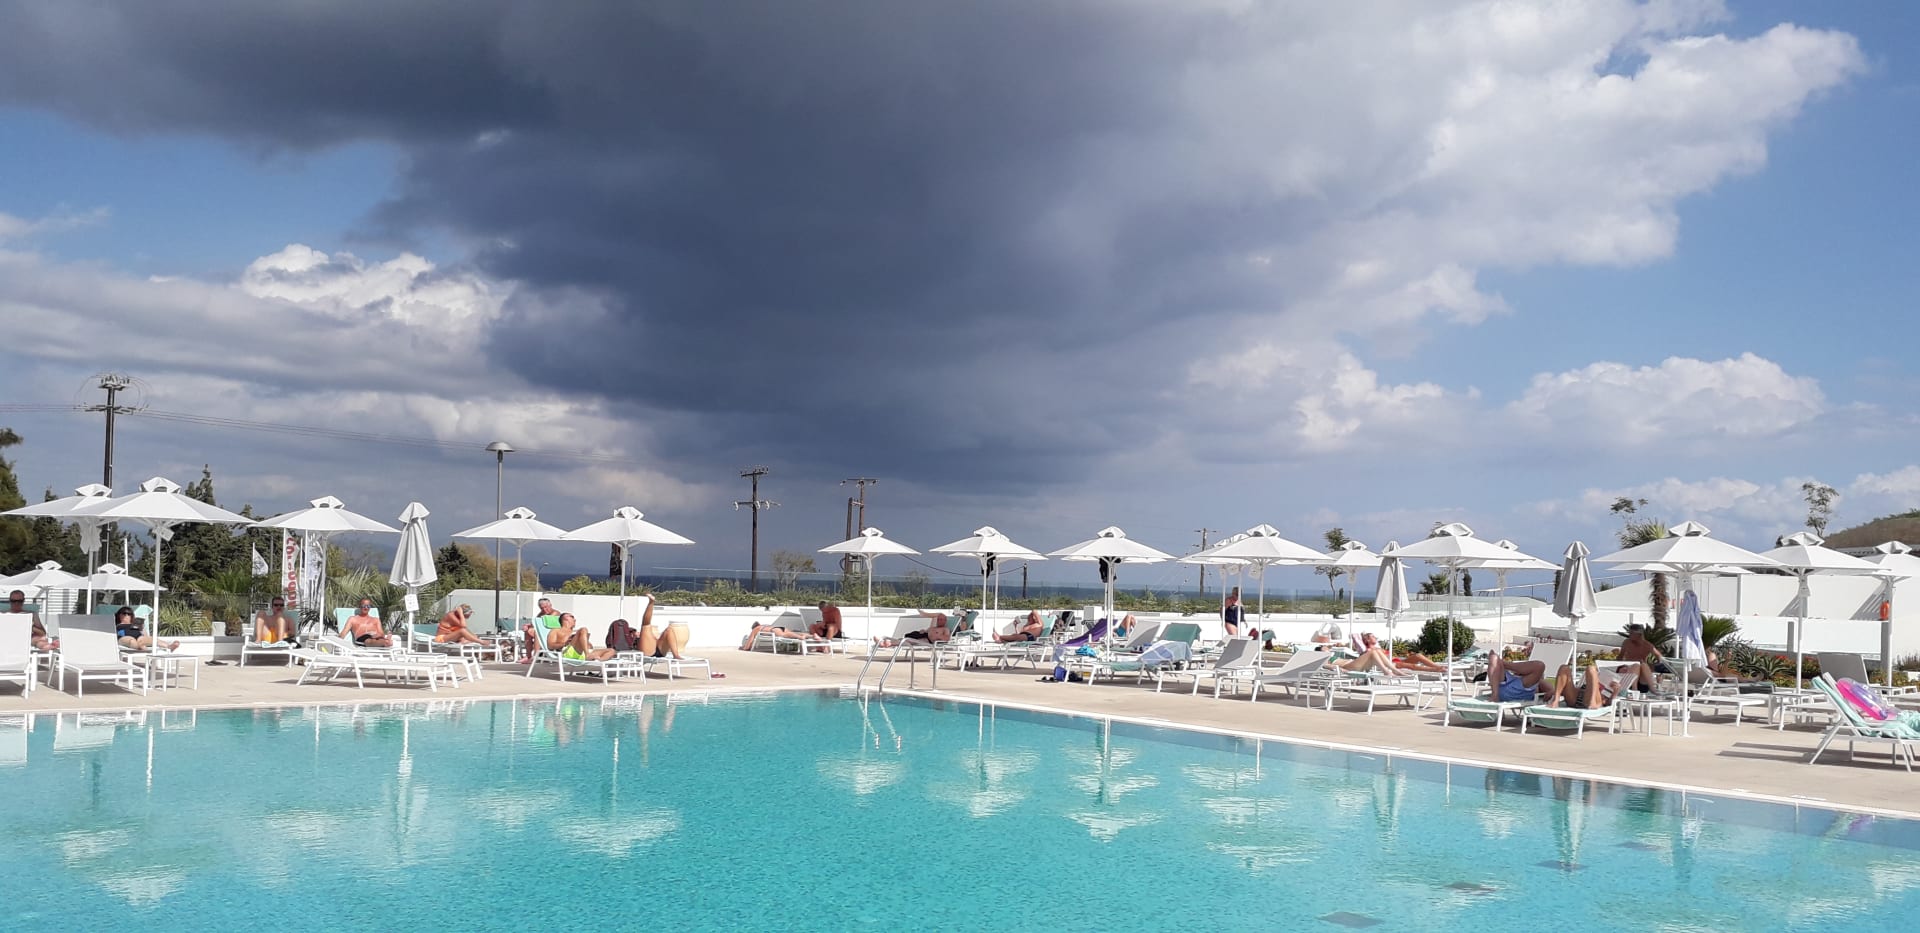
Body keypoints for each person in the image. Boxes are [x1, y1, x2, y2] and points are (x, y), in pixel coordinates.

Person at [549, 612, 616, 661]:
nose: (575, 619)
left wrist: (588, 644)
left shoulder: (576, 632)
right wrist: (564, 643)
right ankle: (588, 655)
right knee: (583, 629)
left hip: (583, 653)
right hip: (568, 652)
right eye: (572, 617)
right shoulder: (556, 630)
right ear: (565, 618)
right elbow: (550, 645)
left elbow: (589, 646)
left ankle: (599, 660)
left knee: (612, 651)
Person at [115, 605, 180, 652]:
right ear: (119, 615)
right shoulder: (116, 624)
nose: (126, 615)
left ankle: (169, 646)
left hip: (139, 637)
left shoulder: (135, 623)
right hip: (123, 637)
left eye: (129, 614)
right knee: (131, 640)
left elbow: (145, 636)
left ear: (131, 616)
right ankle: (140, 647)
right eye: (124, 613)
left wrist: (142, 628)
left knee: (152, 639)